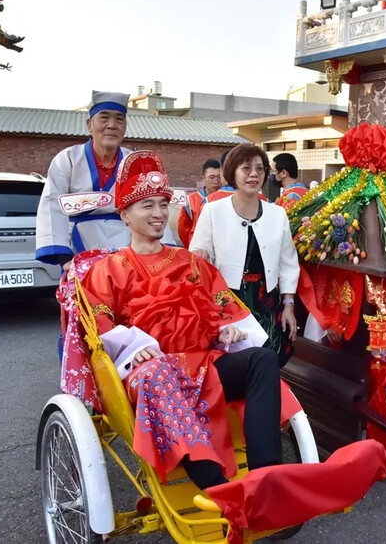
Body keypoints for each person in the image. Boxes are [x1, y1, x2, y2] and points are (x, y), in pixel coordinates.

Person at [79, 150, 284, 490]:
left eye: (163, 204)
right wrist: (136, 349)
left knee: (262, 358)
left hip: (202, 362)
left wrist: (226, 328)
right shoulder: (108, 270)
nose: (159, 214)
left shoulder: (189, 262)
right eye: (147, 206)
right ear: (125, 215)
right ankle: (218, 488)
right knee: (159, 372)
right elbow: (100, 326)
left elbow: (222, 304)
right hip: (151, 371)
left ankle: (267, 478)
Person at [191, 143, 300, 365]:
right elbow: (196, 260)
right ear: (232, 172)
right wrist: (199, 260)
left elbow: (288, 263)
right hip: (227, 303)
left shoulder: (277, 214)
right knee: (235, 362)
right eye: (246, 168)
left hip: (267, 302)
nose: (254, 174)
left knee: (270, 362)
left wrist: (289, 304)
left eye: (260, 169)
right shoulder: (213, 211)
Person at [35, 91, 133, 267]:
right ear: (89, 124)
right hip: (78, 246)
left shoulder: (134, 162)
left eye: (119, 119)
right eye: (104, 118)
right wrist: (64, 258)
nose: (112, 125)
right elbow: (52, 205)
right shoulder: (67, 159)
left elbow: (151, 206)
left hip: (128, 246)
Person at [176, 158, 222, 247]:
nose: (216, 181)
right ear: (203, 178)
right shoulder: (191, 200)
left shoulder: (227, 198)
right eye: (211, 177)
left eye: (219, 177)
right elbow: (183, 229)